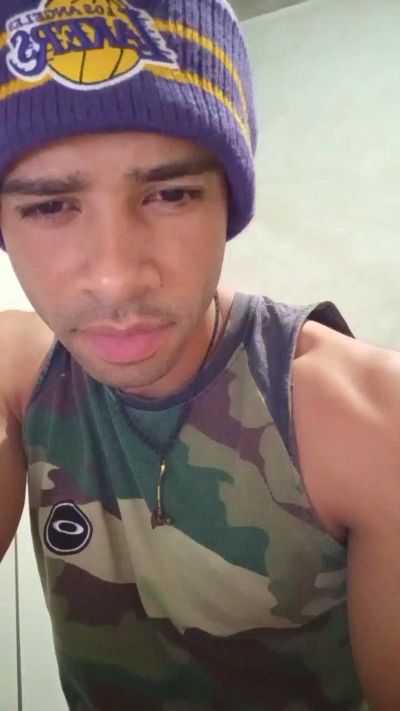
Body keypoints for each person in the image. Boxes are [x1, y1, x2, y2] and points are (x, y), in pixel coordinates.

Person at [0, 0, 398, 708]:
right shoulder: (19, 377)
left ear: (228, 205)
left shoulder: (366, 421)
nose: (116, 277)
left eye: (172, 193)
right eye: (49, 206)